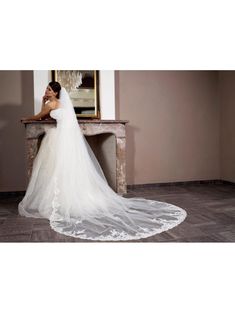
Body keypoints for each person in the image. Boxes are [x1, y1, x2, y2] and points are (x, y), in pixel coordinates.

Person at [19, 81, 187, 241]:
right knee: (69, 169)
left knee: (58, 169)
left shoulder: (51, 104)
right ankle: (73, 197)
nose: (46, 91)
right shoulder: (63, 105)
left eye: (49, 89)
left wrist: (40, 105)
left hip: (59, 140)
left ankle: (61, 200)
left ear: (55, 92)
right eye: (47, 89)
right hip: (67, 140)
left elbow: (38, 117)